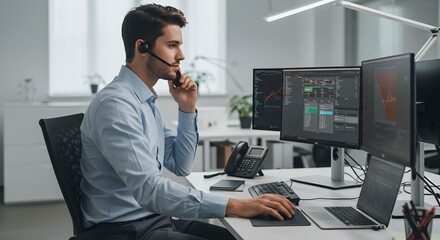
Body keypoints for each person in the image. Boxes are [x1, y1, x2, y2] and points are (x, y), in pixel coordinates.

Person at [80, 3, 295, 240]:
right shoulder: (117, 105)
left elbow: (180, 165)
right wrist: (236, 205)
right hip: (126, 230)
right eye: (172, 46)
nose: (181, 55)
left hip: (156, 218)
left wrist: (186, 108)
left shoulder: (143, 101)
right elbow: (149, 190)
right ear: (142, 47)